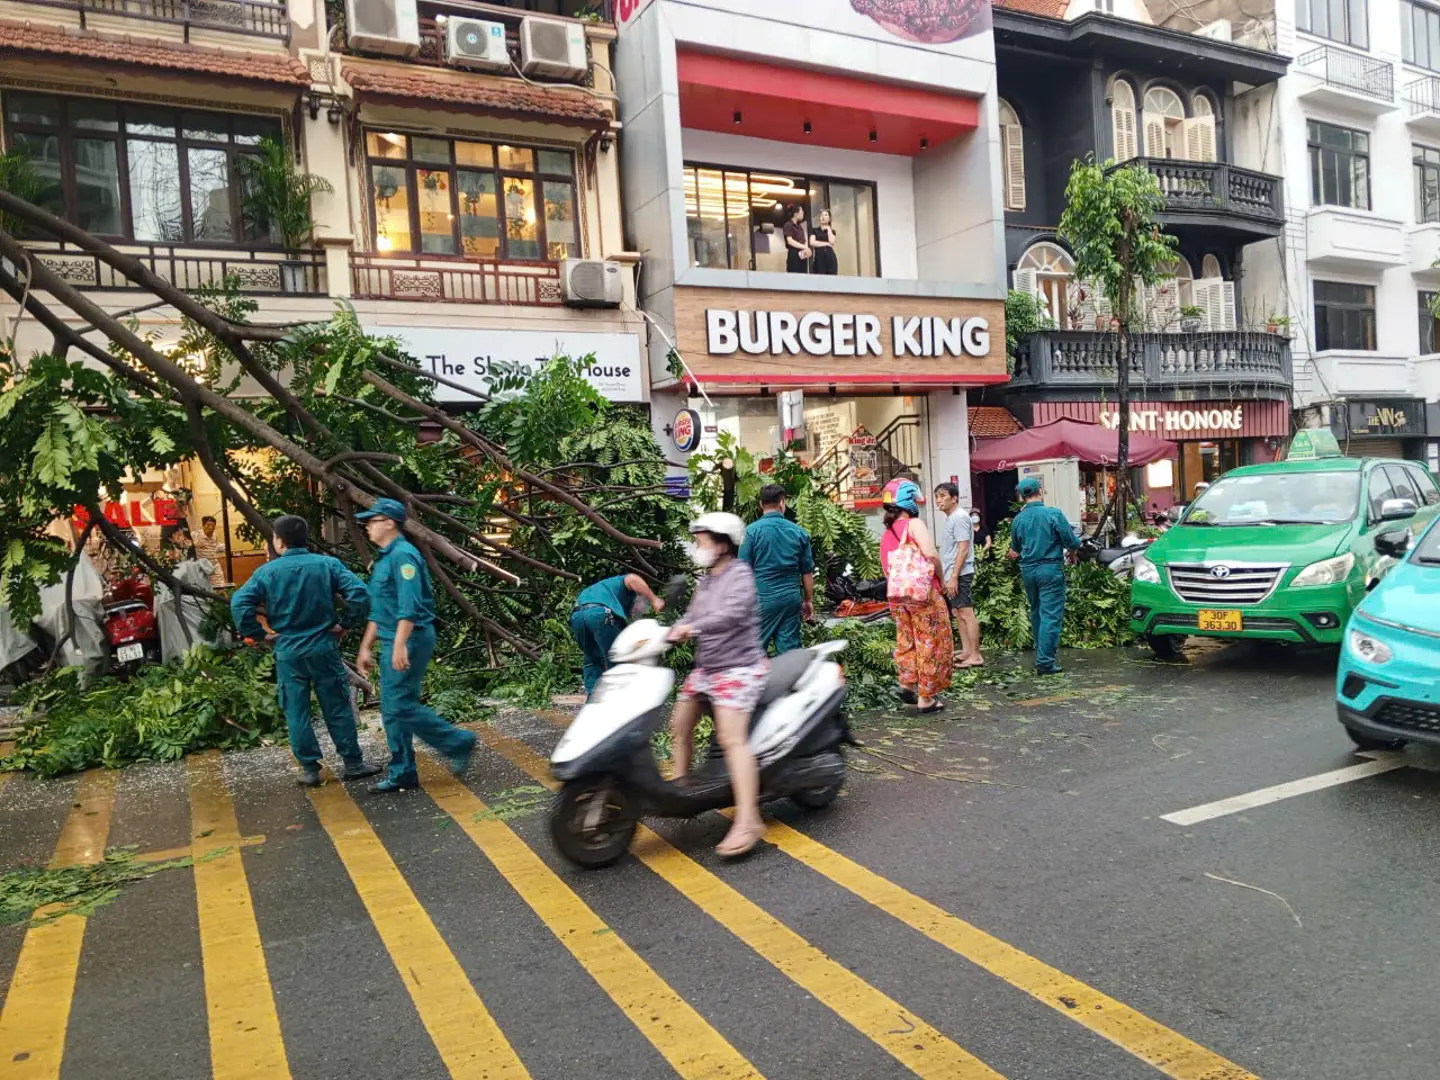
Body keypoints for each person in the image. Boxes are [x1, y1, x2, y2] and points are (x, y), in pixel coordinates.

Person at [231, 514, 381, 787]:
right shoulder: (327, 564)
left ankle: (311, 769)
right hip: (323, 646)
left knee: (296, 711)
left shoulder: (267, 572)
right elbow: (361, 594)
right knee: (336, 706)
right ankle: (353, 763)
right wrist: (343, 624)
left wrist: (260, 635)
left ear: (278, 541)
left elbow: (240, 603)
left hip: (287, 650)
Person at [354, 498, 477, 794]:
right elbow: (380, 608)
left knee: (398, 705)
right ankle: (403, 771)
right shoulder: (385, 558)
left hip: (411, 636)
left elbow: (408, 606)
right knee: (392, 707)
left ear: (390, 522)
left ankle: (458, 742)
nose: (368, 525)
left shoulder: (404, 556)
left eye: (373, 520)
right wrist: (366, 647)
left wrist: (399, 645)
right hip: (392, 637)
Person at [668, 512, 768, 857]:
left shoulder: (740, 575)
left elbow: (733, 614)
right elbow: (694, 614)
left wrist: (692, 629)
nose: (697, 546)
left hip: (738, 667)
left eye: (702, 540)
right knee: (679, 725)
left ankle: (748, 820)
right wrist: (670, 630)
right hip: (708, 667)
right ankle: (680, 791)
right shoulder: (708, 579)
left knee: (731, 739)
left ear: (722, 544)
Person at [880, 479, 952, 711]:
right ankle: (926, 698)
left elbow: (886, 569)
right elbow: (931, 554)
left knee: (906, 639)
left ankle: (907, 684)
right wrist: (940, 578)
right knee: (930, 642)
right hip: (923, 594)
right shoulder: (914, 524)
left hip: (897, 597)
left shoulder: (886, 534)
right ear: (909, 501)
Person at [1007, 476, 1080, 675]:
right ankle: (1045, 662)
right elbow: (1071, 541)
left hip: (1028, 571)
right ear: (1041, 491)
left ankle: (1041, 654)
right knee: (1050, 614)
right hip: (1050, 569)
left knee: (1036, 611)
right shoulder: (1053, 514)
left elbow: (1015, 548)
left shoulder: (1018, 519)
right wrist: (1072, 554)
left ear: (1022, 496)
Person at [739, 484, 815, 655]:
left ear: (760, 504)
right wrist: (808, 600)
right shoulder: (799, 532)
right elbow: (807, 572)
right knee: (789, 654)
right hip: (790, 599)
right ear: (782, 503)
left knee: (754, 654)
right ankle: (788, 682)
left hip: (762, 600)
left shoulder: (750, 533)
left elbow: (743, 571)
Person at [570, 572, 665, 697]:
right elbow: (633, 578)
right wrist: (654, 599)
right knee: (616, 658)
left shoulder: (605, 593)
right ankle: (617, 699)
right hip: (600, 614)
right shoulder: (622, 584)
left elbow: (623, 631)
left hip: (577, 617)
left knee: (592, 660)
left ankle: (593, 702)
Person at [934, 482, 982, 668]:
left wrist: (954, 576)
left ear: (954, 498)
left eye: (943, 496)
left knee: (966, 613)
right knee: (958, 613)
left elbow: (963, 548)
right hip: (952, 573)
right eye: (937, 496)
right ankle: (967, 651)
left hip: (960, 573)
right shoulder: (951, 517)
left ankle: (976, 656)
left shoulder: (960, 517)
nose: (939, 500)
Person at [193, 515, 226, 587]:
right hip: (201, 567)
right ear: (203, 525)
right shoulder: (196, 535)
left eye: (213, 525)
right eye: (208, 525)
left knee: (221, 585)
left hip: (214, 564)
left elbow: (215, 546)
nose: (211, 527)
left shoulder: (214, 535)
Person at [809, 208, 838, 275]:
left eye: (825, 215)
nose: (823, 217)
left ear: (829, 218)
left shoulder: (832, 231)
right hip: (819, 258)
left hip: (830, 257)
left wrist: (828, 229)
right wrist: (826, 244)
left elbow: (832, 241)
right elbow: (812, 242)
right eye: (821, 215)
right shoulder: (815, 230)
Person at [782, 204, 811, 274]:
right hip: (794, 254)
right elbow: (790, 241)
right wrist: (804, 247)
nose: (803, 213)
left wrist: (806, 248)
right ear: (795, 214)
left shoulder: (800, 227)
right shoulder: (788, 225)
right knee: (794, 276)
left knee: (803, 275)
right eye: (801, 212)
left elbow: (804, 240)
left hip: (802, 254)